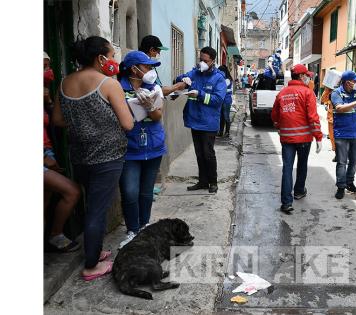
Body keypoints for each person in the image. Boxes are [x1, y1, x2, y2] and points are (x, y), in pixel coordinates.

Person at [52, 36, 134, 280]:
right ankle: (91, 266)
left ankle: (94, 251)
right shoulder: (108, 84)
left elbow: (57, 120)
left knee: (91, 206)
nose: (113, 61)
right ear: (100, 58)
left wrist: (83, 124)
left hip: (80, 157)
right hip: (107, 159)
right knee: (97, 211)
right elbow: (128, 123)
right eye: (110, 56)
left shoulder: (65, 82)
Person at [116, 51, 166, 249]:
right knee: (129, 191)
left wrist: (150, 105)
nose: (150, 70)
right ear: (133, 69)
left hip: (153, 146)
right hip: (129, 148)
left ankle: (144, 227)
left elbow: (157, 117)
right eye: (147, 66)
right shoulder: (118, 88)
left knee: (146, 192)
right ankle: (132, 230)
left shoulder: (153, 88)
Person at [175, 47, 227, 193]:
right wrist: (182, 79)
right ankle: (203, 181)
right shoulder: (195, 73)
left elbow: (217, 100)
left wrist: (200, 94)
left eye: (205, 61)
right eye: (200, 60)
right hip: (195, 119)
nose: (202, 63)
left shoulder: (218, 78)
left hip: (209, 122)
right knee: (199, 153)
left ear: (213, 61)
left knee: (208, 153)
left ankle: (213, 182)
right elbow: (181, 78)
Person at [271, 64, 322, 213]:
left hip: (286, 138)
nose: (308, 77)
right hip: (304, 139)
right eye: (306, 75)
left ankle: (286, 202)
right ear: (301, 76)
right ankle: (299, 191)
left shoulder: (282, 93)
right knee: (302, 164)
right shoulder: (307, 93)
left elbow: (274, 115)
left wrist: (279, 126)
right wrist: (318, 137)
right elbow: (313, 117)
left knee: (287, 168)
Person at [44, 52, 81, 253]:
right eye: (43, 67)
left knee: (45, 199)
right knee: (71, 191)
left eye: (48, 66)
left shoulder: (46, 92)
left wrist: (48, 102)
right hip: (43, 157)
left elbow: (54, 119)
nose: (48, 72)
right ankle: (55, 235)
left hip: (48, 152)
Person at [331, 71, 356, 199]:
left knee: (354, 162)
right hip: (342, 133)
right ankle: (341, 186)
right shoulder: (337, 93)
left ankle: (349, 182)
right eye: (355, 81)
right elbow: (339, 108)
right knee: (342, 162)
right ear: (347, 82)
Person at [320, 87, 336, 162]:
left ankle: (341, 154)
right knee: (332, 136)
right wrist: (327, 89)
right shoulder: (329, 91)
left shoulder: (344, 91)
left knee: (340, 138)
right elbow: (323, 100)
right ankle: (337, 153)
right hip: (331, 118)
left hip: (341, 118)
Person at [218, 65, 234, 138]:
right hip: (222, 99)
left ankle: (227, 132)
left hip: (226, 100)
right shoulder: (224, 78)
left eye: (220, 71)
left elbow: (222, 88)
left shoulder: (227, 79)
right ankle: (221, 132)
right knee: (221, 116)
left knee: (226, 116)